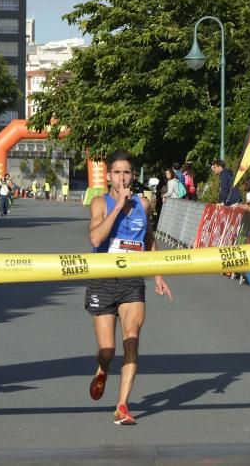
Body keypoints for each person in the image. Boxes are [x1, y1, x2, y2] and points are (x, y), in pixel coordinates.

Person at [87, 150, 173, 426]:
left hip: (133, 280)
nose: (122, 177)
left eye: (127, 172)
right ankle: (102, 368)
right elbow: (96, 237)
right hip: (103, 279)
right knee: (108, 350)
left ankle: (122, 405)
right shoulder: (100, 202)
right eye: (117, 172)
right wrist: (117, 208)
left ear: (132, 175)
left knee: (132, 338)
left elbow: (148, 239)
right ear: (109, 176)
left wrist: (158, 274)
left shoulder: (143, 204)